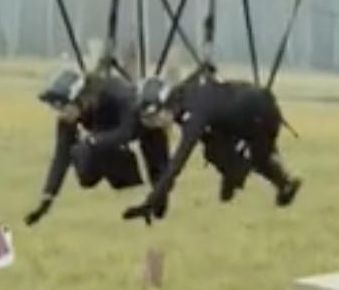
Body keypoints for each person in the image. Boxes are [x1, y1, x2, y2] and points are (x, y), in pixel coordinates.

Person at [121, 76, 301, 223]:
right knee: (214, 146)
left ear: (160, 109)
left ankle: (259, 178)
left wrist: (150, 202)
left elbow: (177, 164)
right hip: (247, 111)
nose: (152, 125)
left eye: (150, 119)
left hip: (261, 116)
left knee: (247, 157)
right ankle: (240, 174)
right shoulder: (183, 97)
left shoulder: (194, 115)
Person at [23, 67, 171, 226]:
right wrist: (46, 200)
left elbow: (125, 132)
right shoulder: (70, 117)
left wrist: (93, 140)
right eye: (56, 109)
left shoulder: (115, 95)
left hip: (147, 127)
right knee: (81, 154)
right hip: (115, 139)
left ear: (78, 99)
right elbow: (61, 157)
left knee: (160, 201)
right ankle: (125, 180)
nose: (60, 114)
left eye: (62, 108)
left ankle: (147, 200)